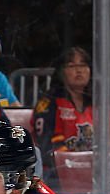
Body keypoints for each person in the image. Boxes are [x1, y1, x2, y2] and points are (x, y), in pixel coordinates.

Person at [32, 46, 102, 182]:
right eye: (72, 66)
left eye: (83, 65)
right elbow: (47, 146)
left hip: (95, 173)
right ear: (61, 72)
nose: (79, 70)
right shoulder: (48, 102)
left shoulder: (99, 103)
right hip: (56, 174)